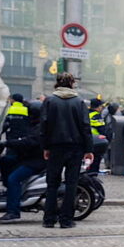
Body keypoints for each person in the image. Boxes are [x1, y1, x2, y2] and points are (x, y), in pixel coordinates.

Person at [40, 73, 93, 228]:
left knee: (52, 184)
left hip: (55, 146)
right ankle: (66, 219)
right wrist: (89, 149)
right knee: (71, 183)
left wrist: (45, 147)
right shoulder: (79, 102)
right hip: (75, 147)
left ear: (57, 83)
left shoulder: (50, 101)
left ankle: (49, 219)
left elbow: (44, 126)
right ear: (72, 84)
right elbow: (85, 127)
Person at [0, 99, 45, 223]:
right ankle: (11, 193)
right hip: (27, 157)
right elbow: (23, 138)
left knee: (14, 178)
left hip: (36, 160)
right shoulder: (33, 124)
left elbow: (29, 142)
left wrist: (8, 143)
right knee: (5, 161)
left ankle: (13, 212)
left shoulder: (40, 127)